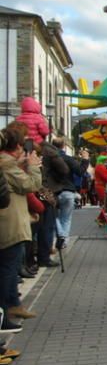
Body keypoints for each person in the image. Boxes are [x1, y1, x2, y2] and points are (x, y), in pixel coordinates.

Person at [0, 126, 41, 327]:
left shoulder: (7, 163)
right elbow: (31, 185)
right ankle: (4, 315)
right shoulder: (7, 165)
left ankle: (13, 305)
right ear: (17, 146)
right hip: (10, 224)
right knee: (8, 270)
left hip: (10, 222)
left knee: (11, 268)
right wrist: (33, 166)